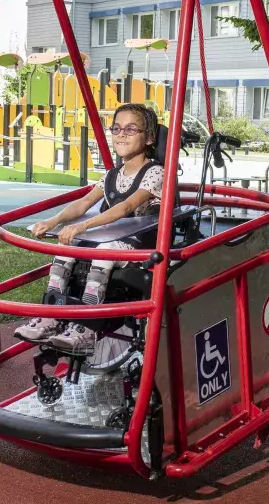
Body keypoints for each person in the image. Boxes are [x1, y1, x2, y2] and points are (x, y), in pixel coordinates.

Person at [14, 103, 164, 356]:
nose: (121, 134)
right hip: (112, 237)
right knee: (66, 246)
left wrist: (83, 226)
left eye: (130, 129)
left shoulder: (155, 172)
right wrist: (54, 221)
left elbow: (126, 207)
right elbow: (84, 203)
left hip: (139, 242)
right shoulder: (111, 175)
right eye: (116, 128)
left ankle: (86, 329)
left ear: (149, 138)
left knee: (102, 252)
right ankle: (52, 316)